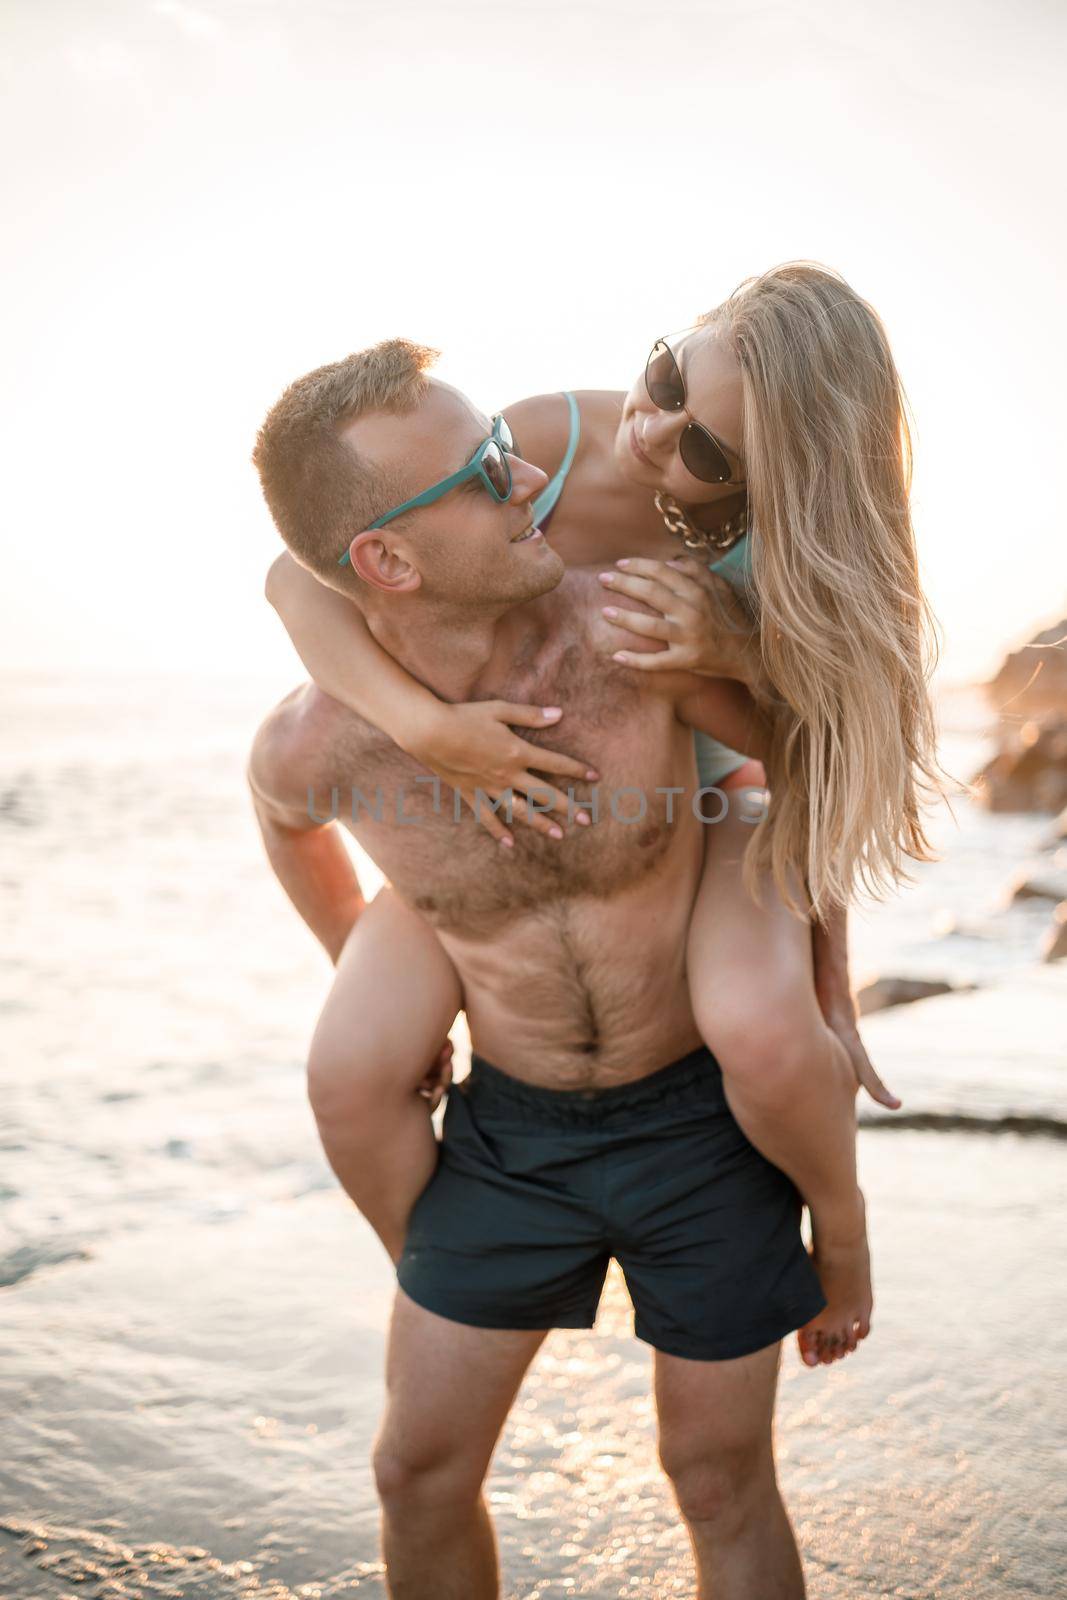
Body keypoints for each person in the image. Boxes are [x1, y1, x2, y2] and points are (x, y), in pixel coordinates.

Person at [261, 264, 939, 1366]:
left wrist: (829, 982)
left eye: (706, 452)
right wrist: (423, 732)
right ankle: (447, 1283)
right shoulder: (546, 438)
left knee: (765, 1034)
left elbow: (829, 764)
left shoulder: (795, 559)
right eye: (666, 373)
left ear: (784, 482)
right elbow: (302, 579)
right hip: (520, 790)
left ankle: (845, 1229)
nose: (651, 432)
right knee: (350, 1062)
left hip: (713, 793)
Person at [247, 346, 835, 1598]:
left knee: (721, 1476)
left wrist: (826, 992)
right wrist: (363, 962)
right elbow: (283, 814)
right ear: (387, 564)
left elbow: (812, 768)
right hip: (502, 1144)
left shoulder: (628, 630)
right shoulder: (320, 740)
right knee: (416, 1470)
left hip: (699, 1122)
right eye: (476, 474)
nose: (525, 480)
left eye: (498, 449)